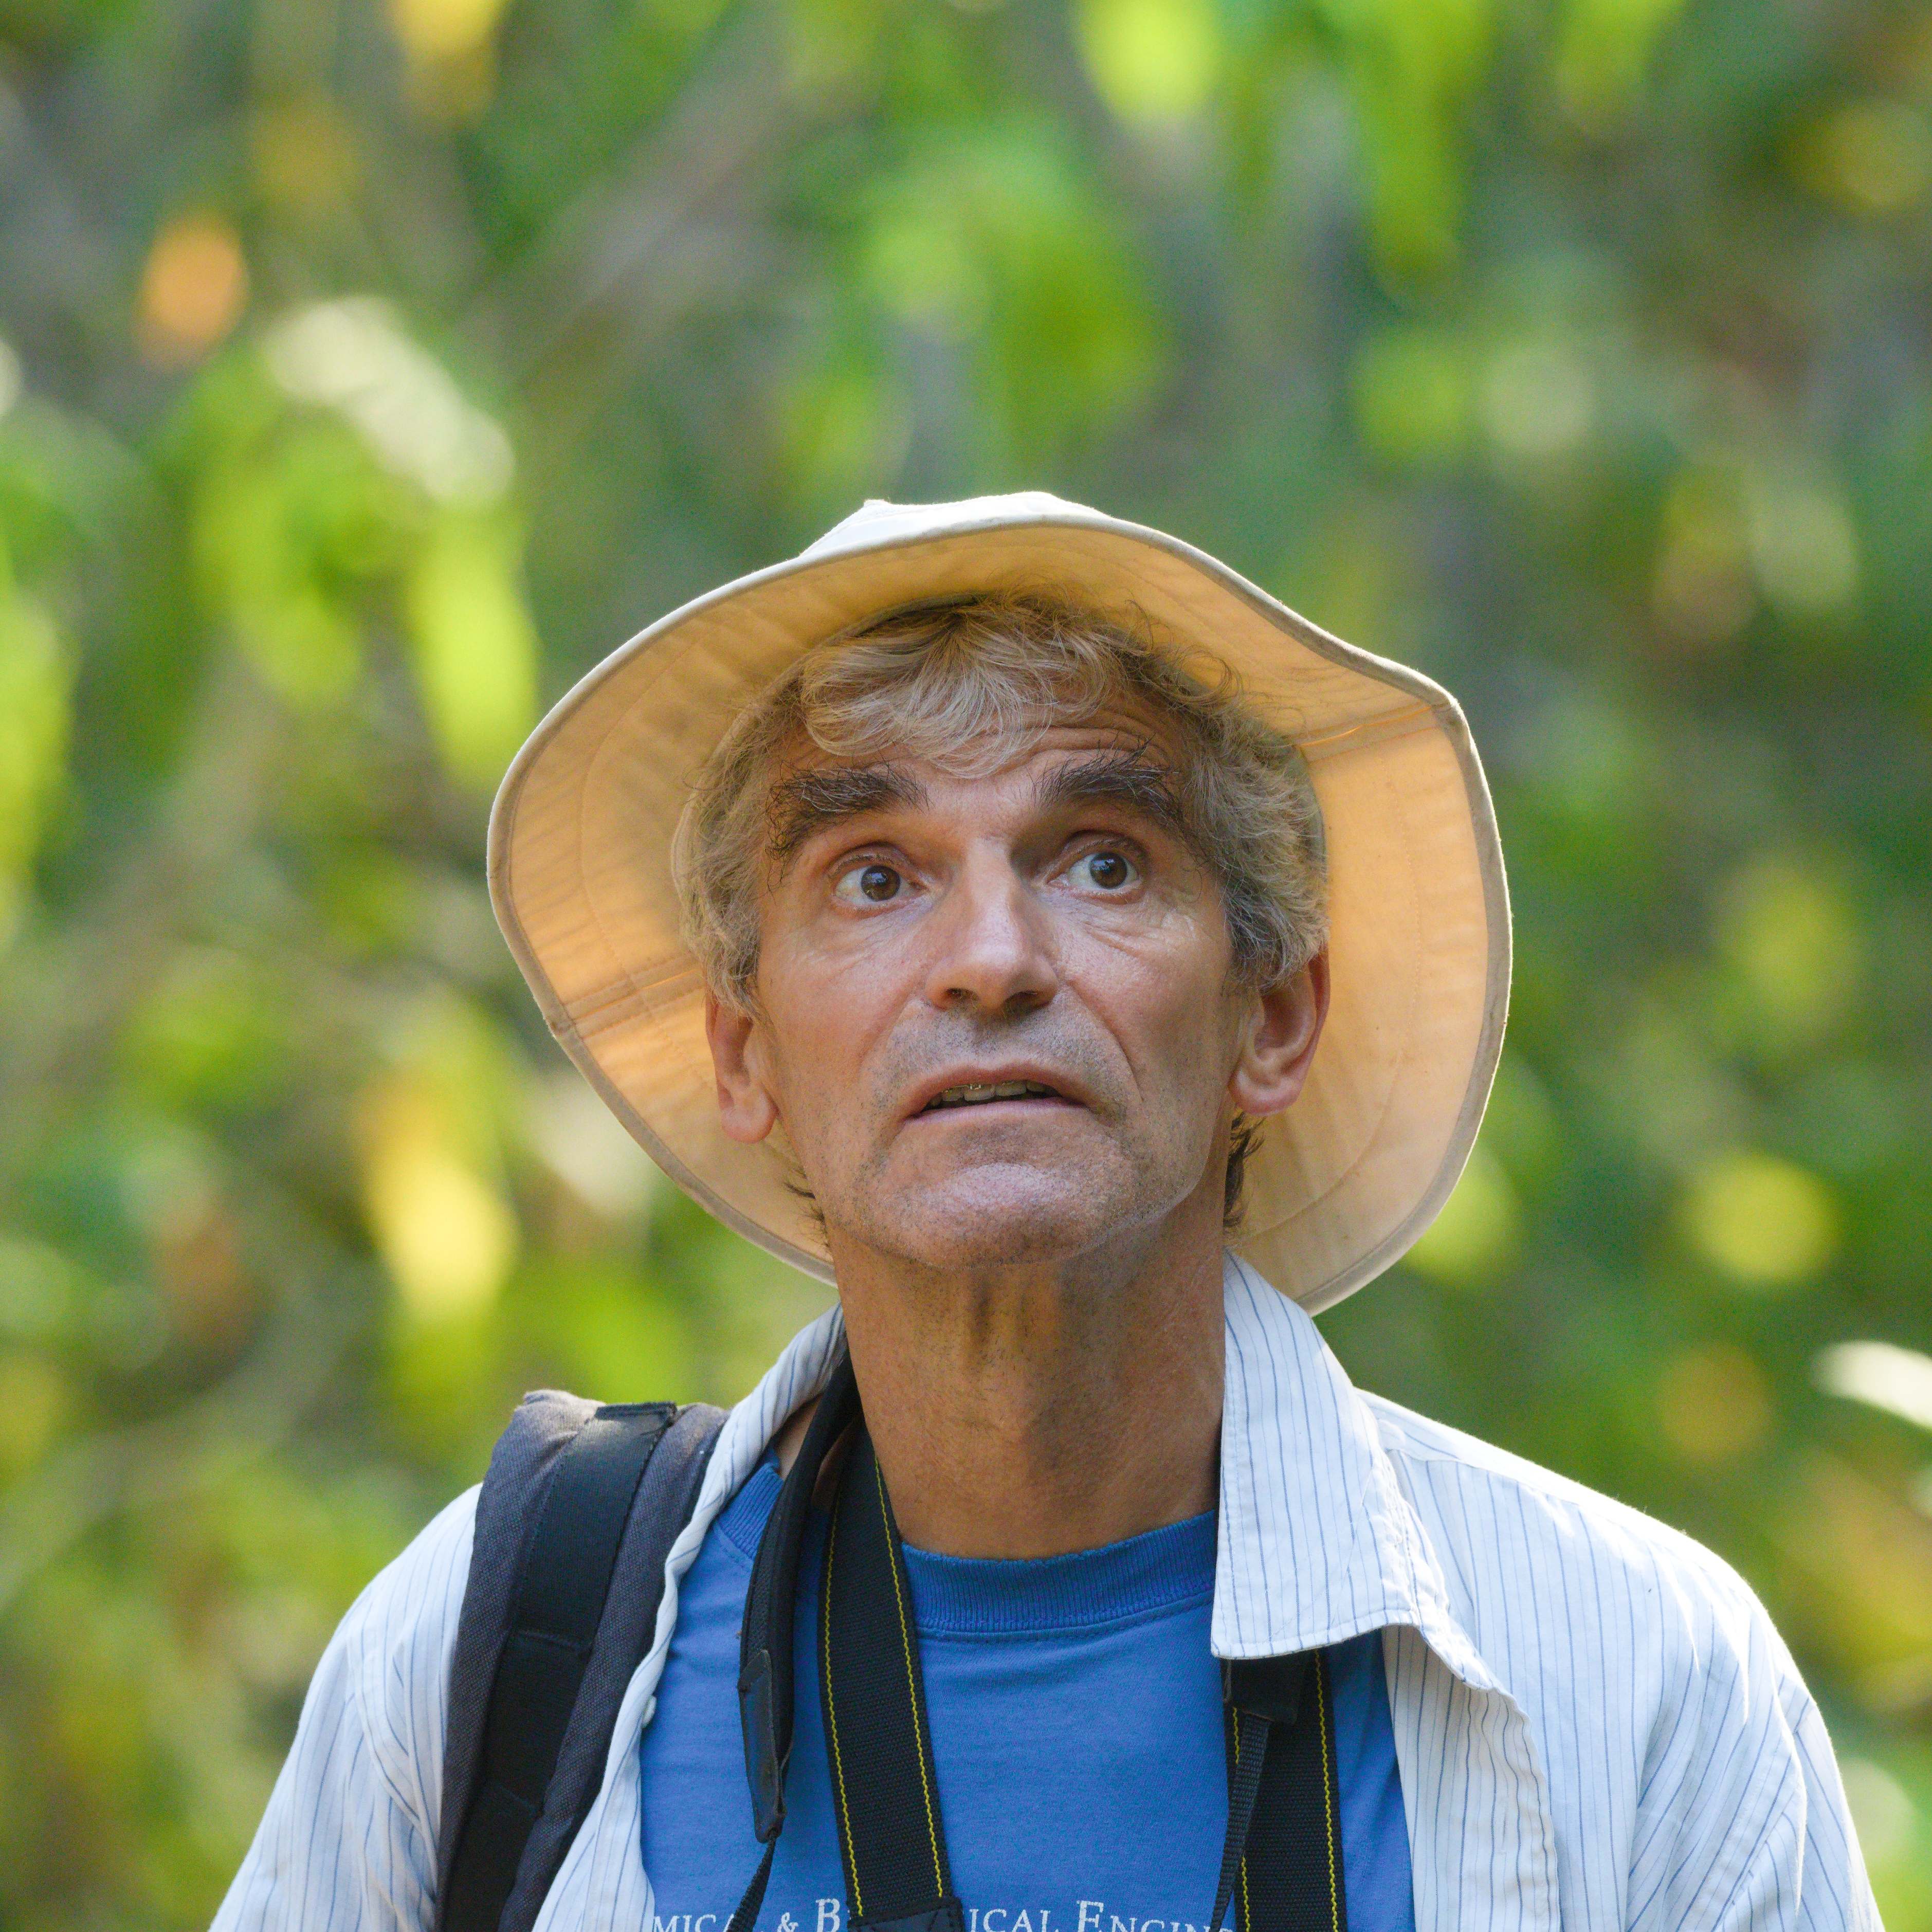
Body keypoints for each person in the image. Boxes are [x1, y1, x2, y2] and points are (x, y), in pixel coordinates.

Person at [214, 494, 1880, 1932]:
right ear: (745, 1054)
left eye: (1101, 861)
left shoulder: (1633, 1685)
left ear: (1272, 1016)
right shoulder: (498, 1653)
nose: (993, 962)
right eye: (875, 876)